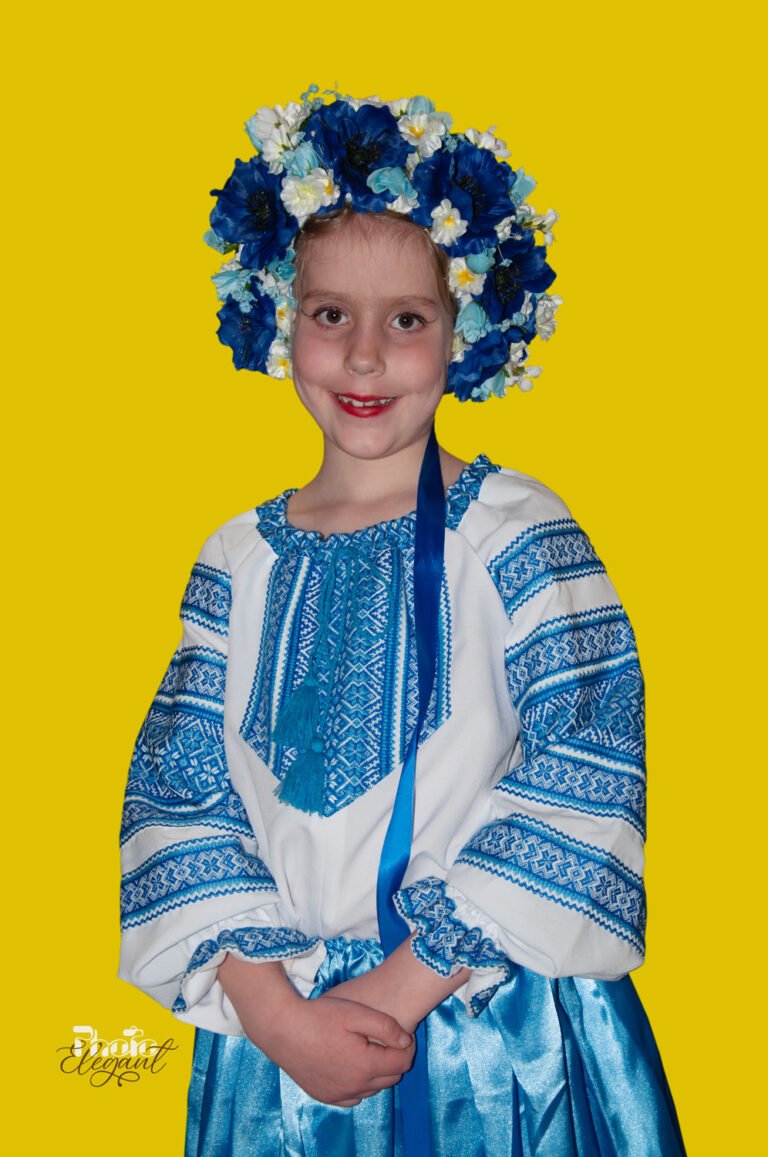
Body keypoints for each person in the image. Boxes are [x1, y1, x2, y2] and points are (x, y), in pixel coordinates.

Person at [118, 88, 686, 1155]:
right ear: (279, 317)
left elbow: (591, 757)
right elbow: (177, 787)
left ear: (470, 328)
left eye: (407, 320)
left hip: (484, 1034)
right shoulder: (234, 561)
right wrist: (280, 1015)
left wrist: (399, 985)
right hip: (277, 1048)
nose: (366, 356)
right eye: (332, 313)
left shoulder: (517, 529)